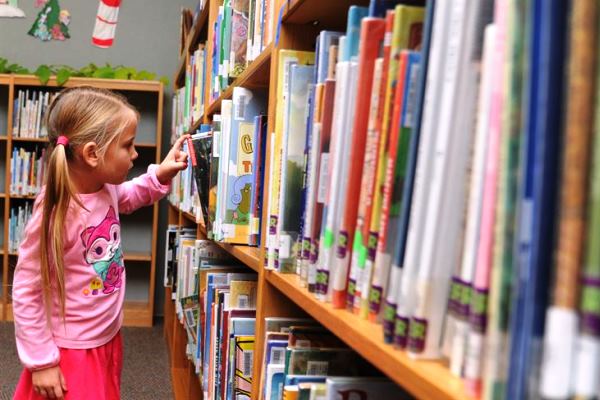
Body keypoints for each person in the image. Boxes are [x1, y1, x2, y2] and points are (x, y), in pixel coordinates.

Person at [11, 86, 189, 400]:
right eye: (128, 145)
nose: (135, 154)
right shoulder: (58, 212)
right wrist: (41, 362)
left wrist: (160, 173)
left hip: (105, 335)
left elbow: (131, 196)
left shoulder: (104, 188)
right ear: (92, 154)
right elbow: (27, 289)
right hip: (72, 349)